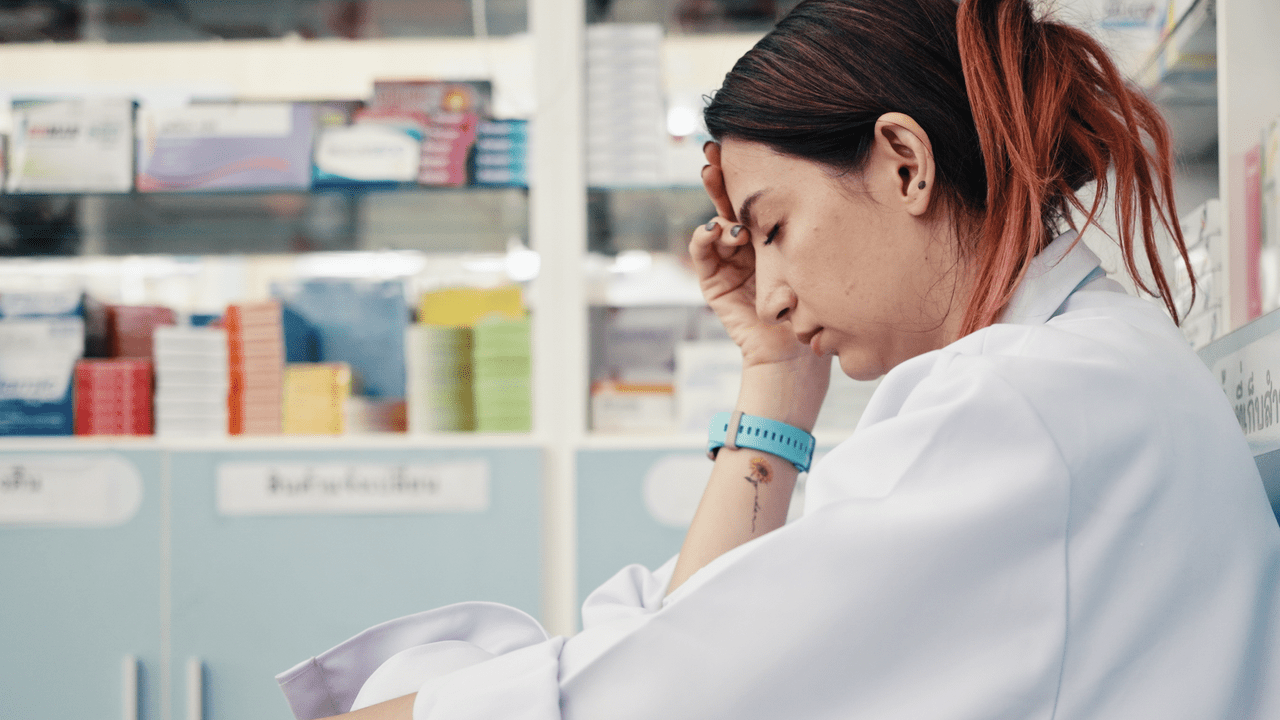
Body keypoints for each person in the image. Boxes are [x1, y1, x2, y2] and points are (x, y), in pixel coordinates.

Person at [276, 1, 1280, 718]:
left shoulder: (1017, 401)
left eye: (773, 228)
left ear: (905, 163)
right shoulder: (1070, 364)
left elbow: (670, 687)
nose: (769, 293)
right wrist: (776, 378)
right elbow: (701, 633)